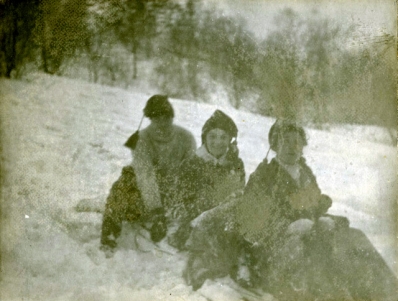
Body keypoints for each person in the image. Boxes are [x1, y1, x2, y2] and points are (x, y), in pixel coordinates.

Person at [238, 119, 398, 300]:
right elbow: (251, 225)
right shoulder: (263, 175)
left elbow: (313, 209)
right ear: (274, 145)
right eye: (285, 141)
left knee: (354, 236)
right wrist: (288, 228)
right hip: (274, 251)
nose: (292, 147)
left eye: (296, 141)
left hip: (310, 234)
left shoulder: (305, 172)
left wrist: (324, 219)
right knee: (313, 249)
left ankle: (385, 293)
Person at [100, 95, 196, 255]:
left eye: (166, 117)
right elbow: (145, 176)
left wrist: (178, 201)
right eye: (156, 118)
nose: (162, 123)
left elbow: (190, 172)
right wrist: (157, 212)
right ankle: (109, 236)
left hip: (172, 188)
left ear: (171, 117)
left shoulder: (185, 138)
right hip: (145, 189)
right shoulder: (142, 139)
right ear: (150, 119)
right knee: (121, 187)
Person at [166, 110, 245, 289]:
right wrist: (213, 206)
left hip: (226, 218)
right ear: (204, 138)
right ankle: (199, 269)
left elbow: (240, 192)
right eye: (213, 136)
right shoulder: (192, 163)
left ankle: (240, 266)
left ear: (230, 140)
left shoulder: (236, 164)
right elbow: (181, 201)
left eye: (223, 137)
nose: (218, 142)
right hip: (194, 220)